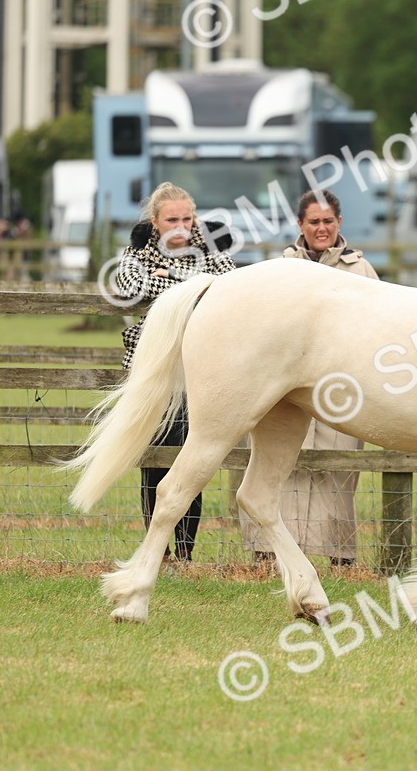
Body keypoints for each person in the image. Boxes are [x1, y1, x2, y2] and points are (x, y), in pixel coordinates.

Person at [238, 189, 379, 567]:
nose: (321, 228)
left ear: (339, 223)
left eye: (328, 221)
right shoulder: (281, 271)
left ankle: (340, 556)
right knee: (278, 468)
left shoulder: (361, 271)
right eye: (314, 221)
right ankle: (267, 554)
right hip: (287, 387)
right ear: (300, 225)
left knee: (339, 472)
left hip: (342, 388)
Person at [115, 182, 237, 561]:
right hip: (153, 370)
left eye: (187, 218)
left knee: (191, 459)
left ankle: (185, 551)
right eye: (172, 219)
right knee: (152, 460)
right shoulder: (136, 251)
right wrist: (186, 283)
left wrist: (169, 277)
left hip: (196, 370)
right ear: (155, 222)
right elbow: (128, 285)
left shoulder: (213, 249)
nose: (181, 226)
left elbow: (229, 286)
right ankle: (159, 551)